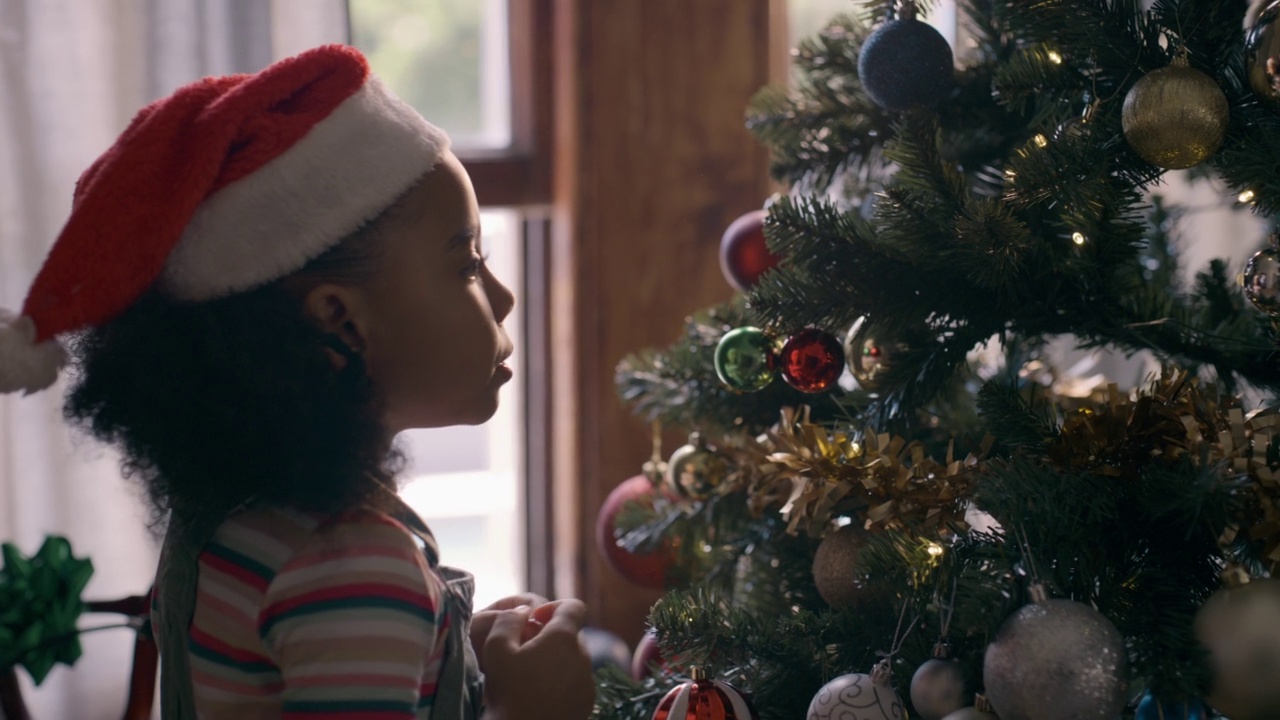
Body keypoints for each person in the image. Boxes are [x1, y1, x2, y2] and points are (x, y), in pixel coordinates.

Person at [0, 44, 596, 720]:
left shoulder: (230, 521)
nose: (504, 297)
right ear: (340, 323)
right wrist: (530, 710)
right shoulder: (357, 564)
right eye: (465, 263)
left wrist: (453, 658)